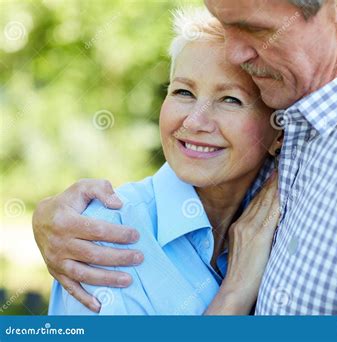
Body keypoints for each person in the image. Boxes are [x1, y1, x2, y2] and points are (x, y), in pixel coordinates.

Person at [35, 0, 337, 315]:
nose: (236, 51)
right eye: (225, 26)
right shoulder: (300, 115)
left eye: (257, 29)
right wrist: (49, 218)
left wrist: (234, 296)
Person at [47, 7, 282, 314]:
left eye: (230, 99)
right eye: (183, 92)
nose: (195, 121)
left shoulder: (278, 224)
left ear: (279, 132)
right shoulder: (104, 235)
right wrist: (237, 289)